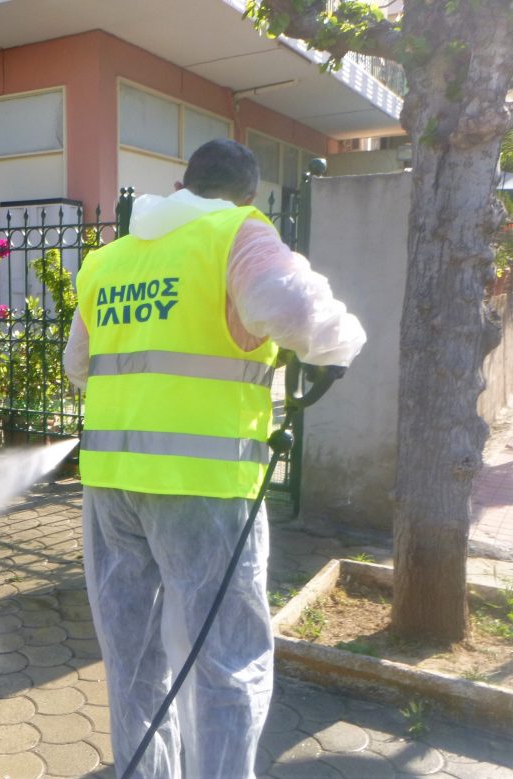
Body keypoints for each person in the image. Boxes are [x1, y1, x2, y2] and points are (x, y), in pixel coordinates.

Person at [63, 138, 366, 778]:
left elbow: (77, 368)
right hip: (205, 487)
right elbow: (288, 309)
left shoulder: (107, 260)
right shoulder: (237, 233)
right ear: (249, 194)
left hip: (112, 487)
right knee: (227, 660)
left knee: (135, 660)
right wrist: (342, 343)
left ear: (183, 182)